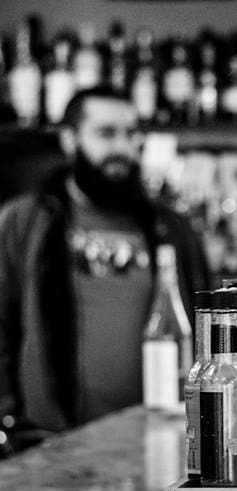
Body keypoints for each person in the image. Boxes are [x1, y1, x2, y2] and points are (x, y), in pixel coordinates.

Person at [0, 86, 209, 452]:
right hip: (51, 444)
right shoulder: (25, 221)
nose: (123, 148)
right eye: (106, 133)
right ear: (69, 139)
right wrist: (8, 420)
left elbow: (206, 329)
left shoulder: (172, 228)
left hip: (161, 440)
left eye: (131, 134)